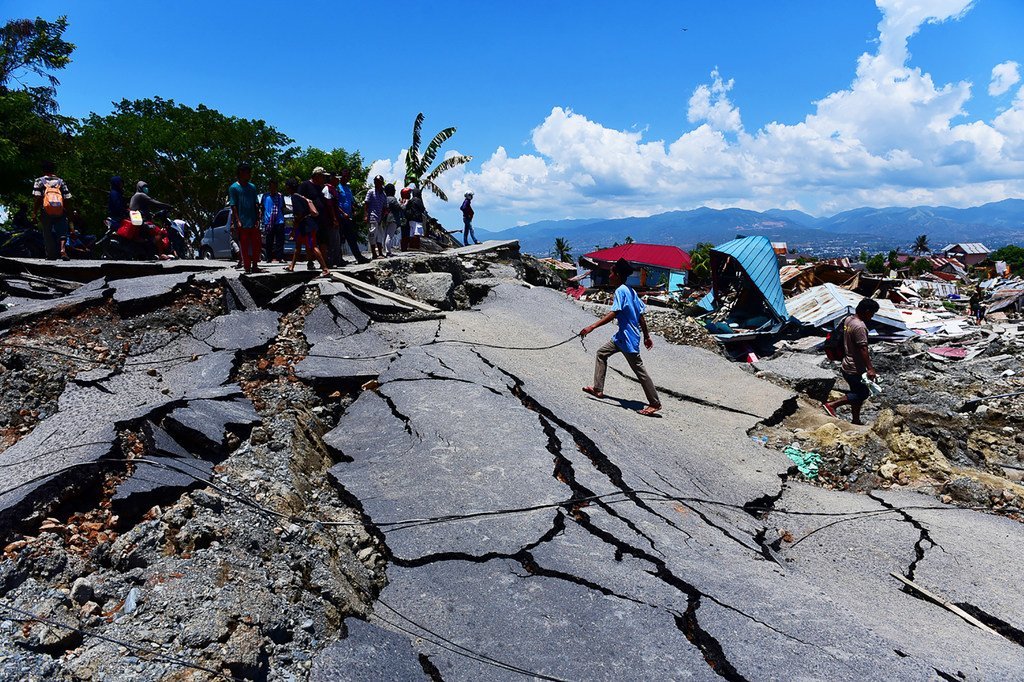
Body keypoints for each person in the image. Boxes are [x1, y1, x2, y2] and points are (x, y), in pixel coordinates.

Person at [580, 258, 661, 416]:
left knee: (639, 370)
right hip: (621, 337)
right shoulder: (630, 290)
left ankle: (654, 403)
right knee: (602, 353)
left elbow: (614, 312)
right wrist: (646, 335)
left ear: (616, 275)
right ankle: (598, 389)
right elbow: (641, 315)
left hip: (628, 338)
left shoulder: (620, 291)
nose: (609, 276)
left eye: (611, 273)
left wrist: (592, 327)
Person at [823, 298, 880, 426]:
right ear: (866, 311)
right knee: (862, 393)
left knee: (856, 391)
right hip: (855, 367)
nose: (872, 316)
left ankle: (856, 419)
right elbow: (863, 348)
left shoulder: (849, 319)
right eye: (872, 313)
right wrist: (870, 368)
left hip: (846, 363)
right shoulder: (860, 326)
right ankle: (832, 405)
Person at [285, 178, 329, 276]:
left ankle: (325, 268)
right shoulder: (302, 197)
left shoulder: (294, 197)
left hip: (306, 227)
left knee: (312, 246)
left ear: (289, 188)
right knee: (298, 246)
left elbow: (299, 215)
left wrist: (294, 228)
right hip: (306, 226)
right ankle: (291, 266)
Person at [31, 160, 74, 260]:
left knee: (47, 232)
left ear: (43, 170)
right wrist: (68, 212)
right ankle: (62, 250)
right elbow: (67, 198)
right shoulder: (60, 181)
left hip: (46, 210)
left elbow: (37, 198)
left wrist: (34, 213)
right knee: (62, 231)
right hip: (60, 210)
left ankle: (51, 254)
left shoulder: (39, 181)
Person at [229, 162, 262, 273]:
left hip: (253, 220)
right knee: (244, 244)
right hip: (242, 221)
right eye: (248, 173)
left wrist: (258, 218)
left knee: (256, 244)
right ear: (241, 173)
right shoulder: (234, 188)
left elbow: (256, 203)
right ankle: (247, 266)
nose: (249, 175)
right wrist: (237, 221)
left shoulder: (252, 187)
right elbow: (233, 205)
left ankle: (255, 265)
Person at [299, 167, 332, 269]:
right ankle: (310, 261)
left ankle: (324, 262)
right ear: (317, 176)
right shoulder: (305, 185)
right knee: (311, 242)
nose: (324, 178)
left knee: (323, 241)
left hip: (322, 218)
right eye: (323, 176)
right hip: (310, 218)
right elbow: (299, 198)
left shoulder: (322, 187)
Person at [335, 168, 370, 264]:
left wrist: (354, 210)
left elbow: (351, 202)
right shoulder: (337, 187)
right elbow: (335, 203)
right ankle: (339, 259)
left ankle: (359, 257)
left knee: (351, 238)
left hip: (349, 217)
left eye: (348, 177)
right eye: (345, 177)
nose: (346, 178)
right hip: (340, 217)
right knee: (340, 239)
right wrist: (342, 213)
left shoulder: (348, 188)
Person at [322, 173, 345, 266]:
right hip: (329, 220)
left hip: (335, 218)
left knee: (337, 240)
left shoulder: (334, 189)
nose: (338, 180)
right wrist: (334, 218)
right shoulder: (327, 189)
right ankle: (330, 262)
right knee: (332, 241)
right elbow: (329, 204)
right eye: (336, 179)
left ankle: (337, 260)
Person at [262, 178, 286, 263]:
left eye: (275, 186)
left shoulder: (280, 196)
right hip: (268, 222)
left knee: (280, 241)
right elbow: (262, 208)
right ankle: (269, 257)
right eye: (271, 186)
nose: (273, 188)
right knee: (269, 241)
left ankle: (280, 257)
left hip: (279, 221)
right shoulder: (265, 196)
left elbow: (283, 208)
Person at [364, 175, 388, 259]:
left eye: (378, 182)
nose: (376, 183)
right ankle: (374, 253)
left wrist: (383, 216)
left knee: (379, 235)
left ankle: (380, 253)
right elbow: (366, 204)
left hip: (380, 217)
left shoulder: (383, 194)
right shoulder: (371, 192)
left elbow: (385, 207)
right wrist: (366, 215)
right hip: (372, 216)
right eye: (375, 181)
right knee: (372, 234)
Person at [383, 183, 402, 257]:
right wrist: (404, 204)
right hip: (392, 218)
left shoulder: (384, 198)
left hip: (385, 218)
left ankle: (385, 251)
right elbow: (399, 208)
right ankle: (388, 251)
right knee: (389, 235)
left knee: (385, 235)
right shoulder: (393, 199)